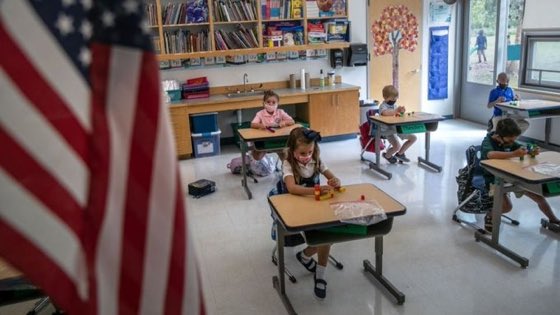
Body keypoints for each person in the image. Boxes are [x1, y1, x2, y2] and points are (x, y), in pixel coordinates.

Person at [282, 127, 341, 300]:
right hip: (296, 207)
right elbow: (292, 188)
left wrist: (334, 180)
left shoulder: (316, 160)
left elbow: (331, 177)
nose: (307, 156)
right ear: (292, 150)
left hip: (315, 204)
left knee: (328, 236)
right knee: (323, 237)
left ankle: (319, 273)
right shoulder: (288, 163)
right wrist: (316, 190)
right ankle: (306, 256)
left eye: (310, 151)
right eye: (302, 153)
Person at [480, 118, 560, 232]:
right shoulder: (488, 141)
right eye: (510, 139)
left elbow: (520, 147)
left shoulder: (510, 141)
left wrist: (531, 150)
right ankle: (490, 215)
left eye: (515, 139)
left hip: (513, 176)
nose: (513, 142)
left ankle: (553, 220)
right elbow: (490, 154)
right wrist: (513, 154)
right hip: (495, 178)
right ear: (498, 136)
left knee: (539, 198)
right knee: (507, 207)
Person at [250, 90, 295, 160]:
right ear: (264, 103)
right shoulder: (260, 113)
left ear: (277, 104)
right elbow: (252, 124)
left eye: (274, 102)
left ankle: (286, 168)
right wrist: (261, 125)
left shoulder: (280, 112)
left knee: (286, 157)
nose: (271, 104)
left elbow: (292, 121)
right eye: (268, 102)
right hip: (265, 140)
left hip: (278, 140)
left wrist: (285, 122)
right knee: (257, 157)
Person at [379, 85, 417, 164]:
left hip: (397, 128)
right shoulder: (382, 106)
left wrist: (401, 112)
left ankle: (400, 154)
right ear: (385, 97)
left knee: (413, 138)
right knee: (397, 146)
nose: (394, 100)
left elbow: (398, 116)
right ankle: (387, 156)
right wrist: (396, 111)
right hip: (388, 131)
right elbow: (385, 113)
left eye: (395, 98)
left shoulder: (394, 105)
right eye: (392, 98)